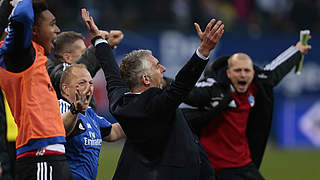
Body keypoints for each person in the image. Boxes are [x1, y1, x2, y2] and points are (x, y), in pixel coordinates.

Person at [82, 8, 224, 180]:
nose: (163, 69)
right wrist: (203, 51)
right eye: (157, 66)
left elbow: (111, 73)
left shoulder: (120, 101)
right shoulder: (155, 106)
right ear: (146, 79)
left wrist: (98, 40)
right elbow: (181, 85)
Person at [183, 41, 312, 179]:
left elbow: (276, 70)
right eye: (238, 71)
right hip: (217, 168)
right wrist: (164, 82)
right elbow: (186, 91)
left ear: (253, 72)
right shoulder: (214, 89)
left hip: (244, 164)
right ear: (228, 73)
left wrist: (297, 51)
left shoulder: (256, 86)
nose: (243, 75)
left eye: (247, 70)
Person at [0, 0, 73, 179]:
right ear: (33, 31)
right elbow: (23, 16)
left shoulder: (36, 56)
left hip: (49, 156)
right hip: (40, 156)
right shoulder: (20, 56)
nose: (58, 30)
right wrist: (21, 1)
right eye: (52, 24)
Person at [58, 64, 126, 180]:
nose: (88, 87)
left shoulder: (89, 113)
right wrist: (74, 110)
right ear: (65, 89)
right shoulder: (59, 107)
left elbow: (113, 132)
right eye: (82, 83)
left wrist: (141, 121)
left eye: (91, 83)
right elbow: (61, 130)